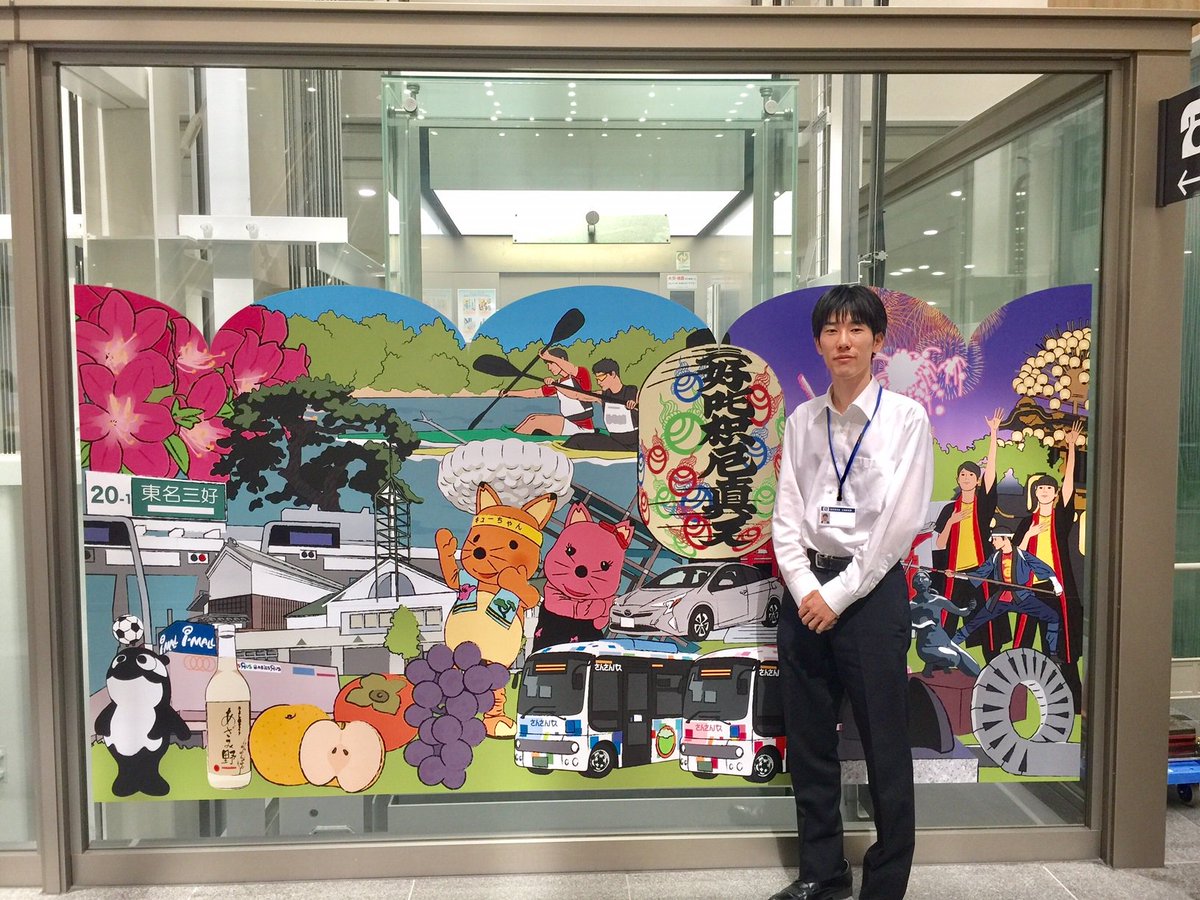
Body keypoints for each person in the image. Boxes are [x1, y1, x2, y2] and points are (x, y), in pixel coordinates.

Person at [771, 284, 933, 900]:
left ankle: (885, 882)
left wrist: (836, 596)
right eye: (832, 330)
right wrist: (806, 587)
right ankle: (822, 870)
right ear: (818, 343)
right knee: (810, 743)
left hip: (870, 594)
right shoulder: (802, 421)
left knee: (886, 742)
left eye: (856, 329)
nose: (843, 341)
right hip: (805, 592)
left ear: (877, 341)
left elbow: (900, 523)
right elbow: (787, 516)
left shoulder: (906, 420)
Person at [1012, 419, 1085, 705]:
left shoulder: (1061, 518)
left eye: (1049, 488)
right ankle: (1020, 694)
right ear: (1035, 493)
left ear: (1054, 495)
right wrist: (1029, 535)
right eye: (1040, 488)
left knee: (1059, 645)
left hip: (1055, 587)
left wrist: (1071, 448)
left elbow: (1069, 488)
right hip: (1031, 587)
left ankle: (1071, 698)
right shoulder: (1026, 522)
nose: (1044, 491)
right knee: (1025, 639)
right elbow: (1015, 554)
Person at [932, 410, 1004, 661]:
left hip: (979, 571)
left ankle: (992, 660)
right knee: (949, 618)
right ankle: (942, 662)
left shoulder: (982, 506)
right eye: (962, 474)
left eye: (971, 475)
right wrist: (951, 523)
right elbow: (939, 544)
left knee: (987, 616)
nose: (966, 478)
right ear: (957, 478)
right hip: (955, 573)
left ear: (977, 480)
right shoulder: (949, 509)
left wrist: (993, 433)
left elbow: (991, 474)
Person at [950, 532, 1063, 660]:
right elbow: (979, 574)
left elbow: (1041, 566)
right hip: (1001, 598)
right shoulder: (995, 557)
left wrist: (1056, 584)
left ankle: (1053, 653)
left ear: (1005, 539)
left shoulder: (1021, 554)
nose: (993, 542)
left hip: (1022, 597)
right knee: (976, 621)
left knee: (1053, 616)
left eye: (995, 539)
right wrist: (956, 575)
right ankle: (951, 644)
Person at [504, 346, 595, 437]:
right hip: (569, 423)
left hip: (583, 428)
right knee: (531, 417)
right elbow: (536, 393)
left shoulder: (581, 374)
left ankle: (512, 439)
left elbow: (572, 372)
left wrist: (549, 357)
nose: (549, 368)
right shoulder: (557, 383)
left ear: (562, 360)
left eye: (551, 363)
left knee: (534, 420)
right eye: (547, 364)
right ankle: (512, 437)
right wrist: (510, 393)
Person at [562, 358, 640, 452]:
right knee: (577, 440)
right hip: (614, 443)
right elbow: (577, 395)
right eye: (597, 379)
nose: (598, 382)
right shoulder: (602, 395)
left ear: (613, 374)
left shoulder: (633, 392)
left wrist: (636, 405)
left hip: (633, 447)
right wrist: (555, 385)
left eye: (601, 378)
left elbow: (647, 406)